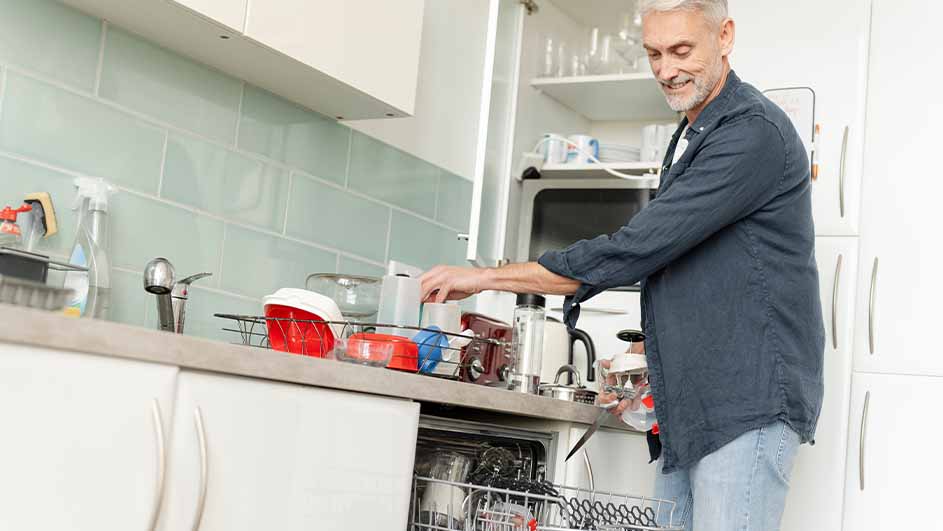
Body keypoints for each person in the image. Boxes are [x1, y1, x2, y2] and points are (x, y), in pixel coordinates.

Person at [419, 0, 824, 529]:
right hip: (693, 407)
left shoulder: (752, 133)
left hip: (744, 401)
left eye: (682, 50)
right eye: (653, 53)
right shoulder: (693, 133)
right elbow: (703, 267)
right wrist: (648, 353)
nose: (665, 69)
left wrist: (485, 277)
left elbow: (636, 248)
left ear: (725, 37)